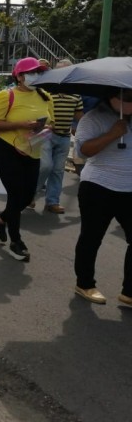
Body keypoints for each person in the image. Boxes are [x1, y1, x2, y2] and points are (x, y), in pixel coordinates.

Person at [0, 57, 53, 262]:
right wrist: (24, 124)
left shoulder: (46, 97)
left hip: (33, 149)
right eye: (32, 72)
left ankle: (0, 220)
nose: (36, 76)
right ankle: (16, 241)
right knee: (15, 195)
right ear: (20, 76)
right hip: (7, 149)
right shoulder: (5, 97)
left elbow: (53, 123)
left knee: (26, 197)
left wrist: (44, 129)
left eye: (39, 72)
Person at [72, 90, 132, 305]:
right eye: (130, 99)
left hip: (130, 189)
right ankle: (85, 284)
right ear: (114, 98)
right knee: (91, 237)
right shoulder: (93, 118)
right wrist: (113, 134)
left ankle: (129, 292)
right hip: (98, 186)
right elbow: (84, 150)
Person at [33, 60, 83, 213]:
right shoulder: (44, 92)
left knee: (58, 170)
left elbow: (79, 117)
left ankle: (52, 202)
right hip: (46, 135)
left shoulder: (76, 95)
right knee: (45, 166)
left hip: (64, 136)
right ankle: (30, 195)